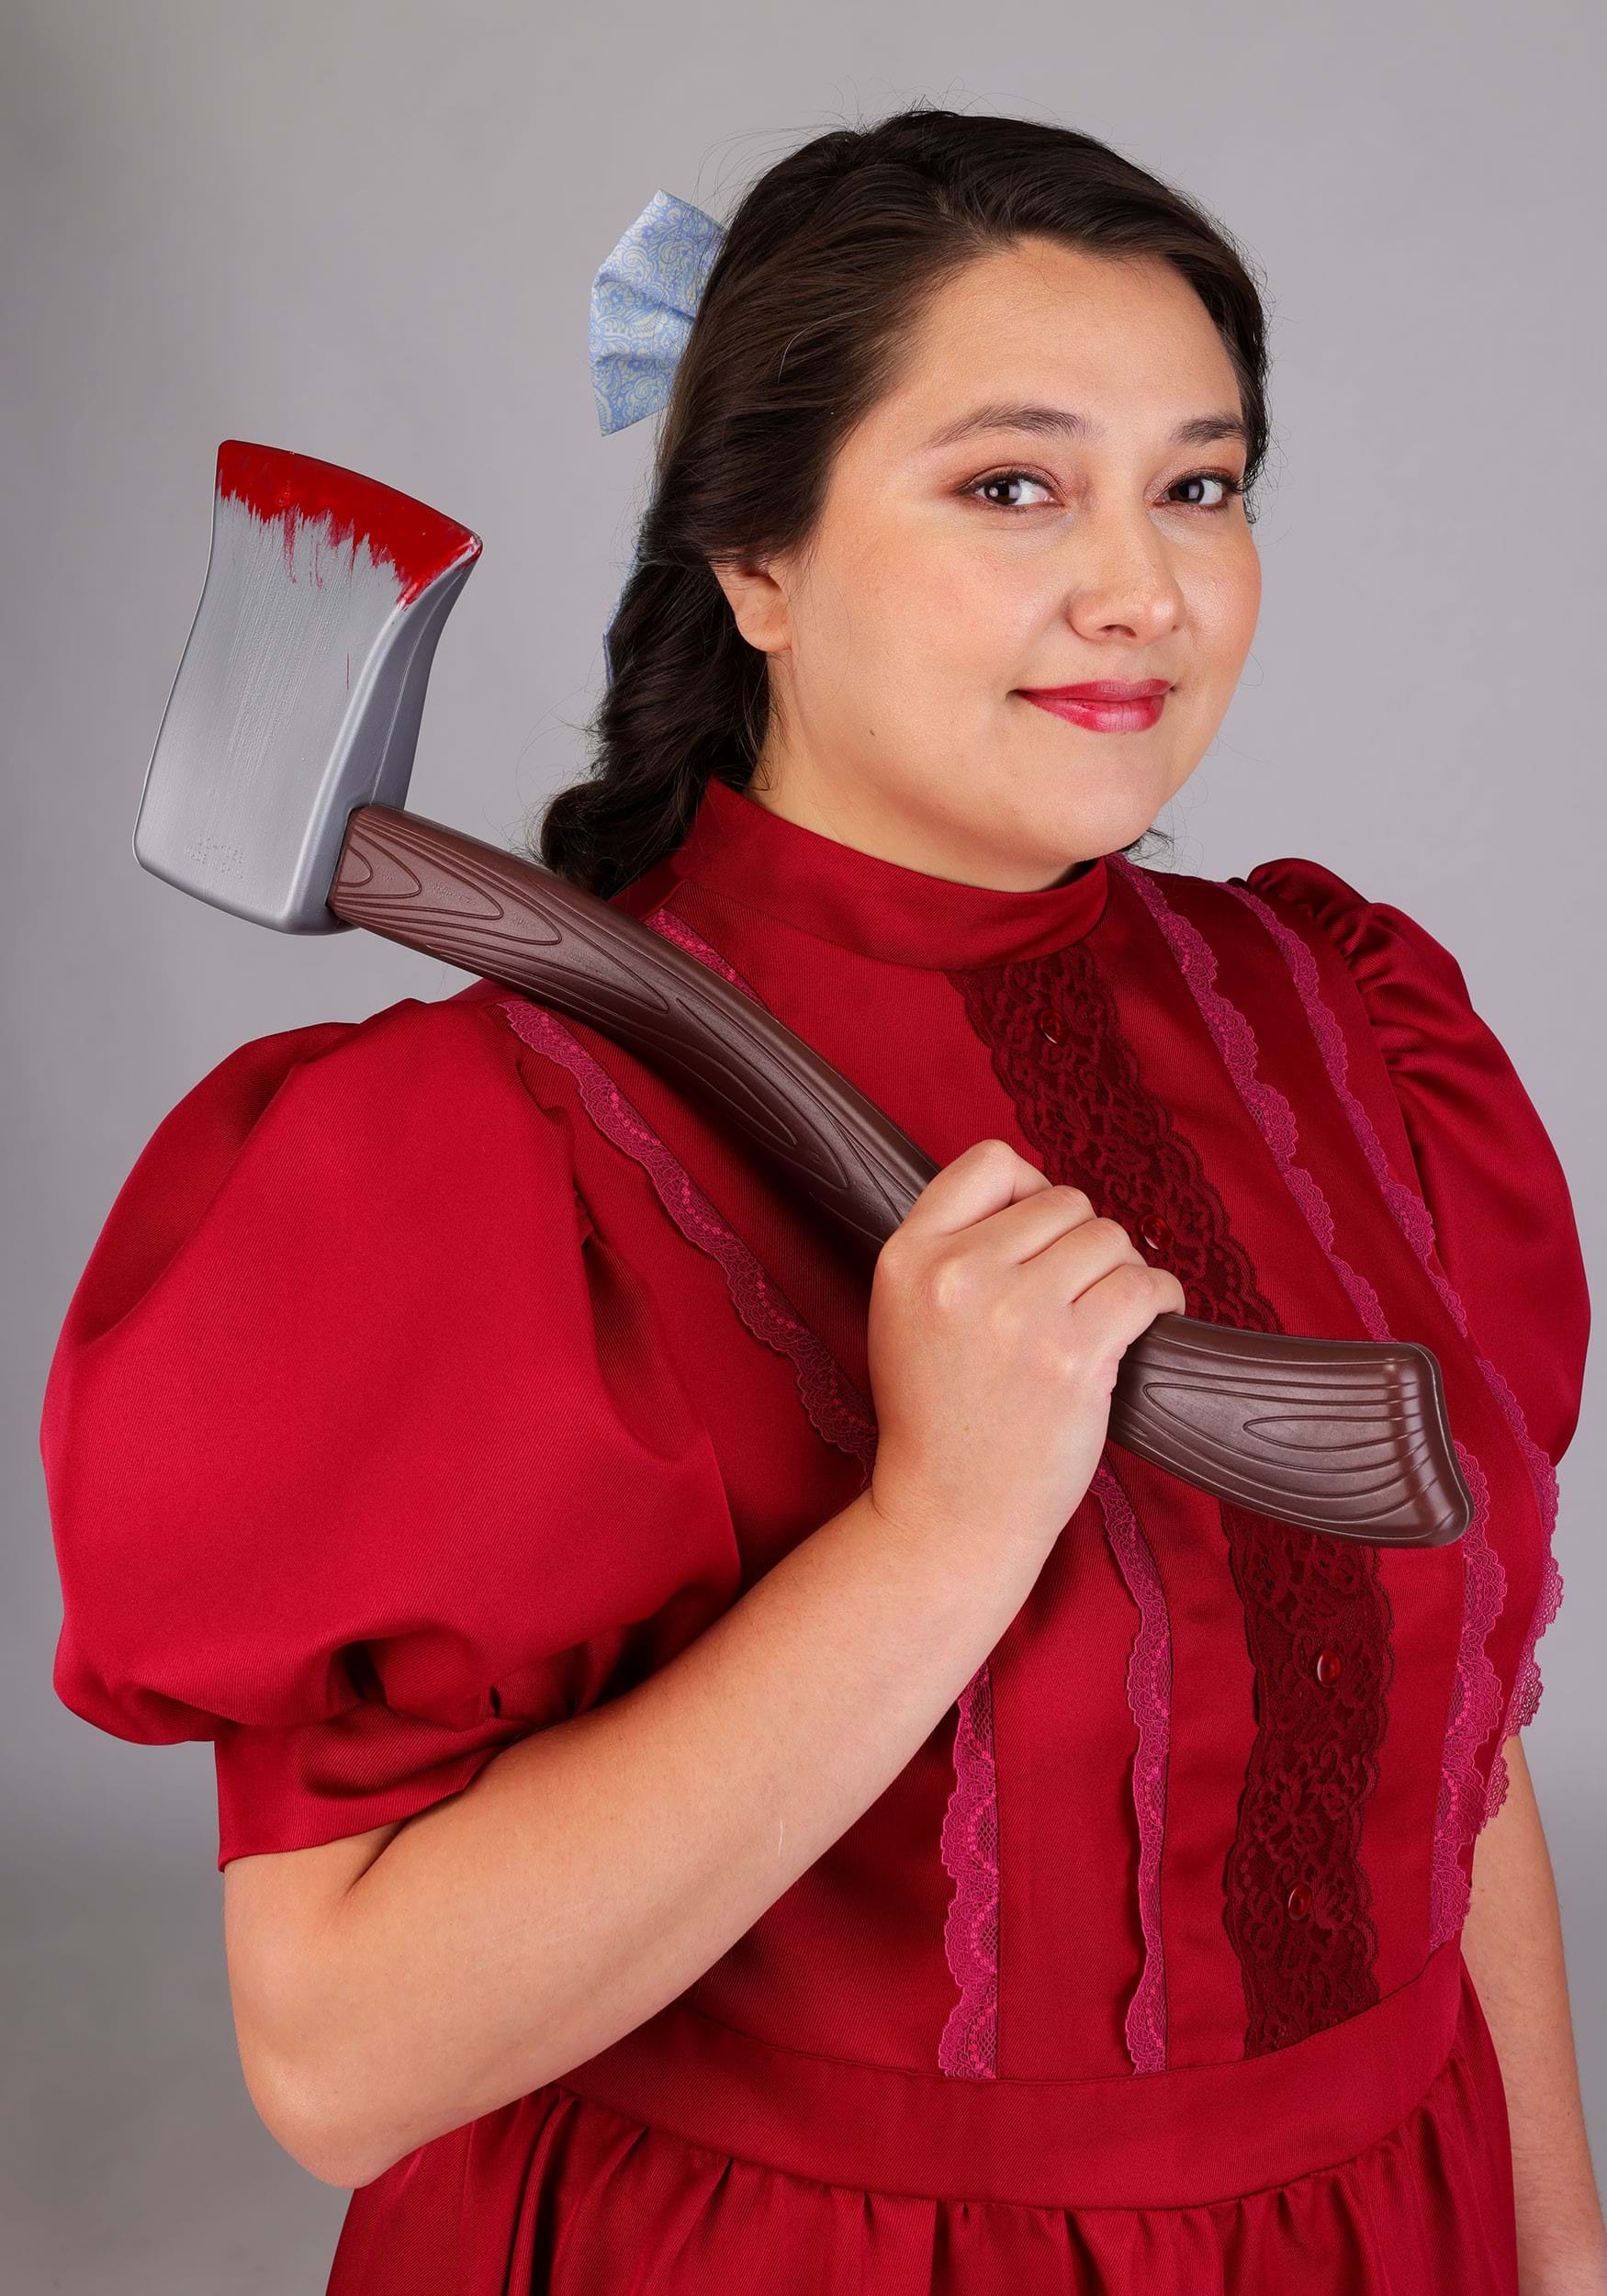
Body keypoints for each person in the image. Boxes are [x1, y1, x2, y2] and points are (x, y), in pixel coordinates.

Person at [39, 104, 1601, 2295]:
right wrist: (934, 1531)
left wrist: (1553, 2252)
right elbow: (339, 2058)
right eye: (1010, 485)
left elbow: (1455, 1751)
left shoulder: (1339, 1025)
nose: (1141, 590)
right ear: (754, 560)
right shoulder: (480, 1161)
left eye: (1199, 484)